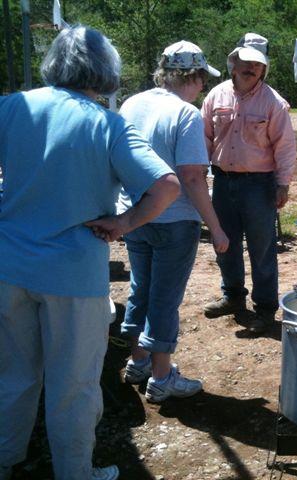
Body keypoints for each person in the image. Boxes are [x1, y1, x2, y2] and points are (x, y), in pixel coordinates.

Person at [0, 26, 179, 480]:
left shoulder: (12, 107)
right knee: (73, 384)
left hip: (9, 266)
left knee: (14, 374)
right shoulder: (106, 124)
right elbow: (165, 185)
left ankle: (6, 458)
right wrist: (124, 224)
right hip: (73, 277)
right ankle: (75, 473)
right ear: (106, 69)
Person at [116, 41, 229, 402]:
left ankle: (138, 361)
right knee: (164, 298)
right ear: (192, 76)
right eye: (201, 80)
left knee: (140, 287)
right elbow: (192, 178)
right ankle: (162, 377)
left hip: (135, 215)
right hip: (174, 219)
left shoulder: (132, 104)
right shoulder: (185, 114)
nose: (202, 88)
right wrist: (216, 226)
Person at [201, 33, 296, 334]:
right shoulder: (215, 97)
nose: (251, 68)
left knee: (262, 248)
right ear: (233, 62)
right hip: (222, 180)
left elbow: (285, 147)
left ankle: (266, 309)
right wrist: (199, 176)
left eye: (258, 64)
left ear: (264, 70)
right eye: (246, 62)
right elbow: (204, 138)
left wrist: (282, 184)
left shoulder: (274, 103)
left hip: (259, 185)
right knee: (224, 244)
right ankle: (232, 297)